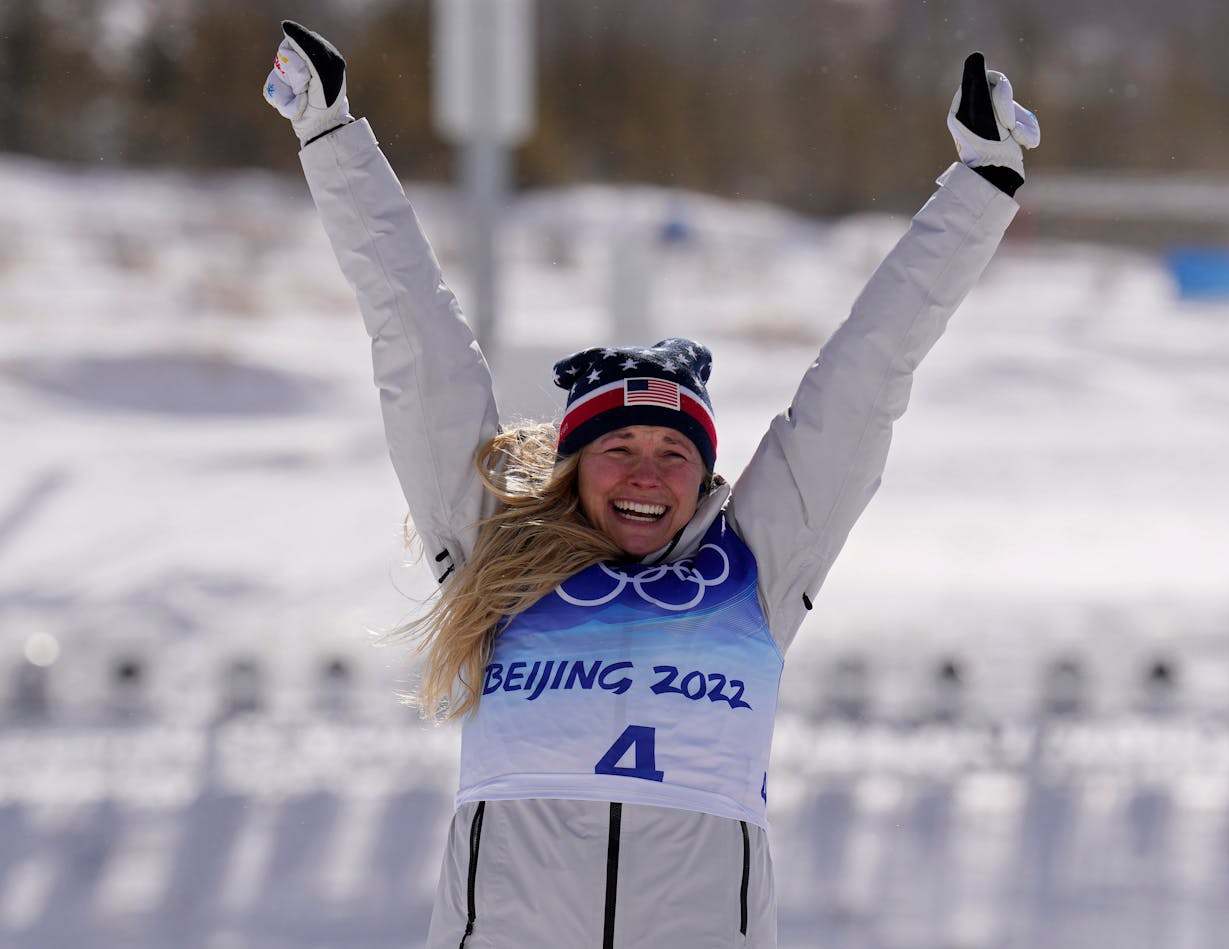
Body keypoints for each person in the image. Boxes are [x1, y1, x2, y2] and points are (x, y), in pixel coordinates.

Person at [263, 20, 1038, 949]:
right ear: (573, 464)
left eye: (672, 453)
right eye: (617, 448)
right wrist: (332, 136)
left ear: (704, 475)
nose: (645, 474)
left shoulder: (758, 565)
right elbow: (414, 339)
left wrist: (980, 186)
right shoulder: (493, 557)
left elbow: (868, 377)